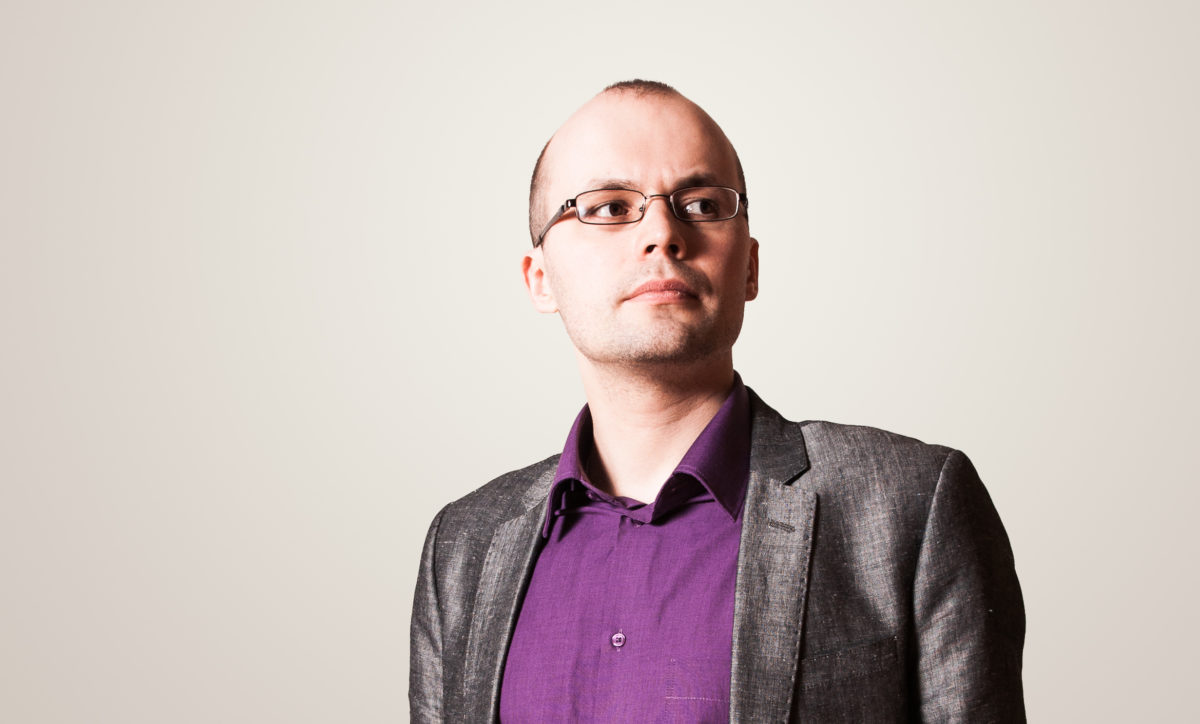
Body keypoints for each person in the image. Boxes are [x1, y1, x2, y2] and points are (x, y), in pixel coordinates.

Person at [409, 80, 1025, 723]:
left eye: (701, 205)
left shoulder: (908, 506)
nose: (662, 233)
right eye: (609, 207)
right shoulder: (464, 546)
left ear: (749, 267)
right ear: (540, 280)